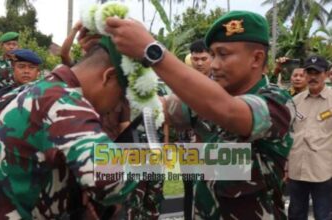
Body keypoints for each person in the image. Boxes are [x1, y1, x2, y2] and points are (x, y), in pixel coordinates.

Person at [105, 10, 295, 219]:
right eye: (212, 55)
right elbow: (157, 108)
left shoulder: (277, 103)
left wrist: (152, 51)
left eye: (223, 54)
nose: (213, 65)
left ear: (256, 58)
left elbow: (229, 111)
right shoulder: (205, 100)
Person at [0, 35, 141, 219]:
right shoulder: (65, 104)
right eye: (121, 96)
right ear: (109, 76)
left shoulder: (29, 90)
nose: (116, 106)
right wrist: (163, 159)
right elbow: (111, 182)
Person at [288, 55, 332, 220]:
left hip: (323, 171)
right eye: (309, 72)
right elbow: (288, 134)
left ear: (326, 74)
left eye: (317, 73)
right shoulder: (294, 102)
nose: (313, 77)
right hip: (296, 169)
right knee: (296, 214)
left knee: (323, 215)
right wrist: (286, 165)